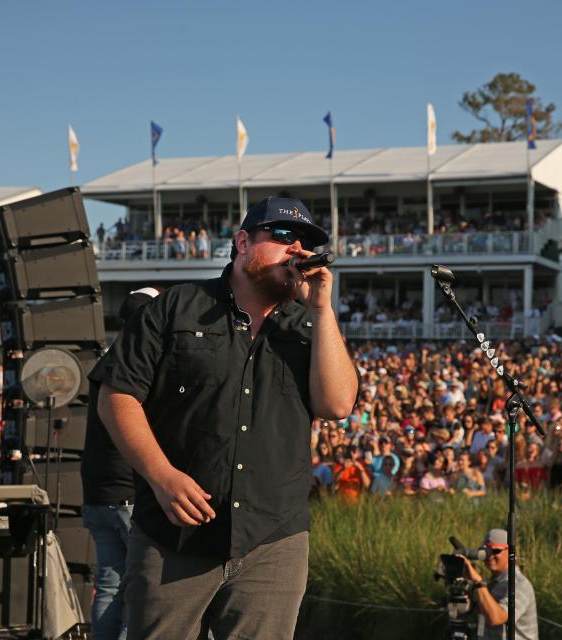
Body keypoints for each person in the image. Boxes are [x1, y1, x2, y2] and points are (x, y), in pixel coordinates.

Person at [95, 197, 357, 640]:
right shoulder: (177, 307)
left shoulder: (310, 325)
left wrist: (322, 311)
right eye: (282, 237)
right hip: (174, 535)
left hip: (273, 537)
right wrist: (162, 476)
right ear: (242, 243)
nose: (297, 249)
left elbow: (337, 405)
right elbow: (116, 395)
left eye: (306, 243)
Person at [81, 286, 159, 640]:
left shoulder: (105, 363)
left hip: (97, 494)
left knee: (109, 586)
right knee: (139, 590)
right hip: (129, 494)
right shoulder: (140, 363)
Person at [460, 528, 539, 640]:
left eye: (496, 551)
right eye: (486, 552)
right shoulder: (493, 583)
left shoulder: (519, 584)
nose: (490, 556)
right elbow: (483, 611)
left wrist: (478, 582)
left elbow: (496, 618)